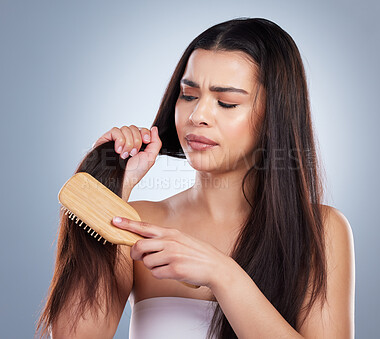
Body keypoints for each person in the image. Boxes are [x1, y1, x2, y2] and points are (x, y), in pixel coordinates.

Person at [37, 17, 355, 338]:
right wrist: (104, 192)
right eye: (188, 95)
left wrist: (224, 275)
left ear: (274, 115)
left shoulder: (321, 231)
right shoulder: (136, 225)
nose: (197, 116)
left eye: (226, 102)